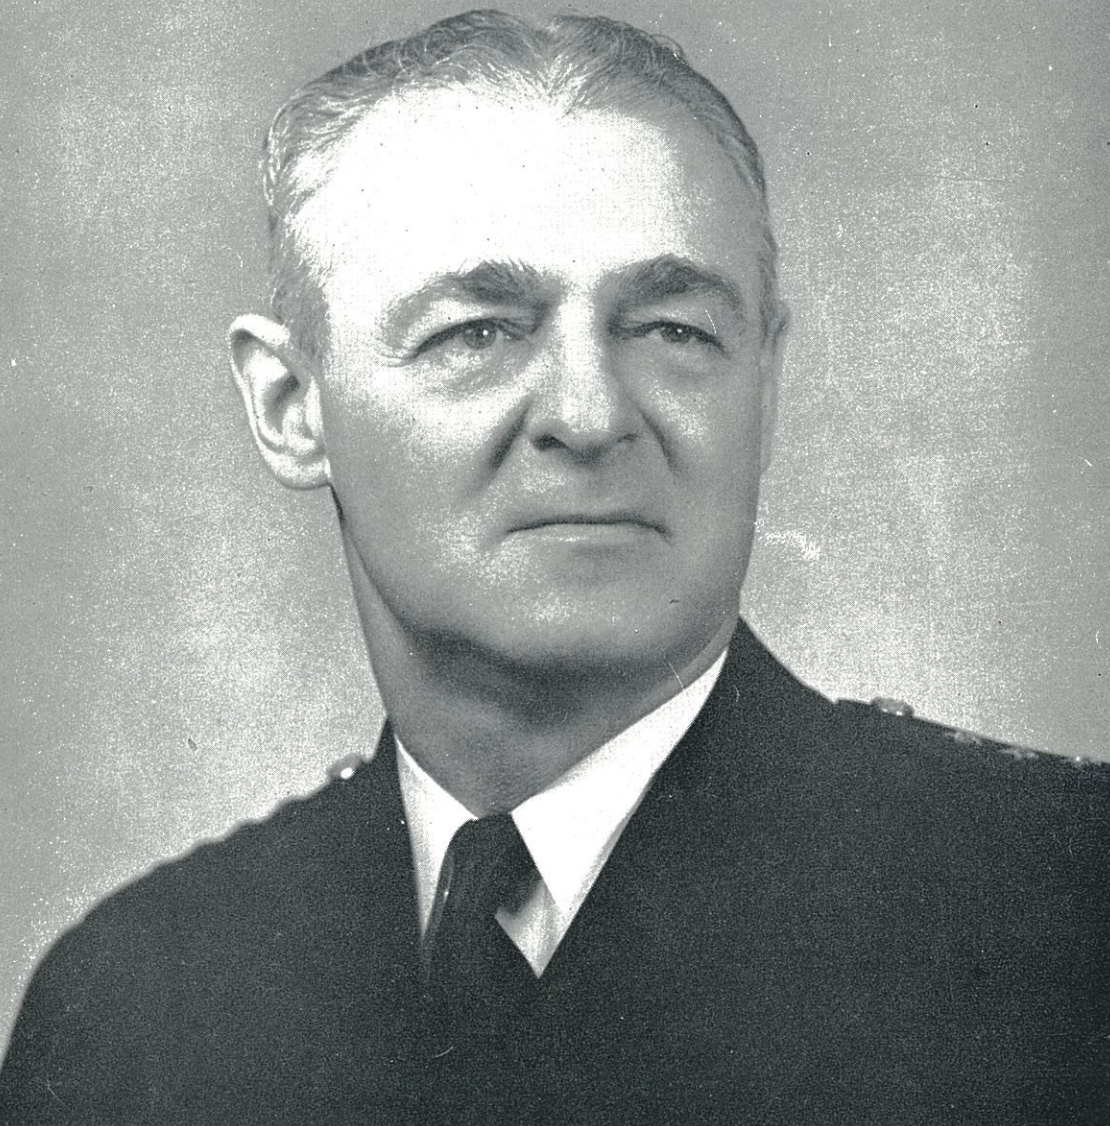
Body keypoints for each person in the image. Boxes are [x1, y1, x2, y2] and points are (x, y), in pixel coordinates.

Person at [1, 10, 1107, 1124]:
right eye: (478, 333)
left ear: (764, 387)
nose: (588, 413)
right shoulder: (134, 1011)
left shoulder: (1062, 912)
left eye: (672, 329)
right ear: (292, 407)